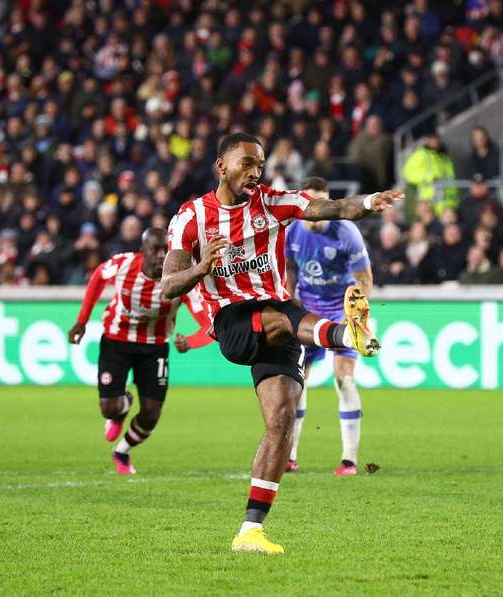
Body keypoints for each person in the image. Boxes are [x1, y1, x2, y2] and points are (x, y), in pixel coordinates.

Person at [162, 133, 400, 555]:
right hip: (233, 319)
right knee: (284, 315)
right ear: (221, 167)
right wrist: (202, 266)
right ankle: (346, 334)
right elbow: (168, 285)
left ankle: (250, 531)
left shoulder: (272, 203)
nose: (256, 172)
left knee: (282, 421)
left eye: (261, 164)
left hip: (279, 322)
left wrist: (367, 202)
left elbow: (329, 207)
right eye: (247, 164)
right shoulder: (191, 218)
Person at [67, 228, 213, 476]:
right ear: (142, 251)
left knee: (151, 415)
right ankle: (123, 407)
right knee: (109, 408)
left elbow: (210, 325)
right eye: (154, 250)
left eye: (165, 250)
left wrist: (191, 342)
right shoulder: (124, 265)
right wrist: (82, 321)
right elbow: (97, 278)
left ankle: (121, 451)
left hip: (154, 347)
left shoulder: (181, 281)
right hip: (117, 341)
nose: (160, 256)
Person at [284, 177, 374, 476]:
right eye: (312, 203)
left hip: (341, 308)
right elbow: (290, 268)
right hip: (307, 308)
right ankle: (290, 456)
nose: (318, 209)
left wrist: (358, 311)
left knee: (344, 379)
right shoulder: (291, 230)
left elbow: (364, 277)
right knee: (297, 380)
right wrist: (289, 298)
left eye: (322, 202)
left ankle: (349, 460)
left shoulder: (346, 231)